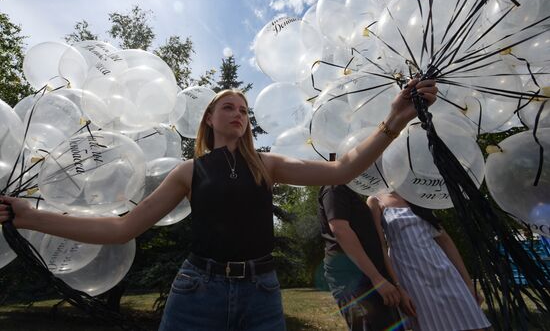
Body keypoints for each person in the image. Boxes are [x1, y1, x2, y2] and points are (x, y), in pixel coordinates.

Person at [0, 78, 437, 331]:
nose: (238, 113)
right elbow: (121, 229)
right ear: (209, 118)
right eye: (228, 107)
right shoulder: (188, 173)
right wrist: (31, 216)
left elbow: (343, 170)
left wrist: (395, 119)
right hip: (196, 293)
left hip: (262, 292)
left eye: (244, 109)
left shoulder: (268, 165)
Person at [367, 192, 491, 331]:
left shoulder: (417, 192)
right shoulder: (375, 200)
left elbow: (444, 239)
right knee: (433, 325)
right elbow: (381, 246)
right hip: (411, 274)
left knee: (472, 323)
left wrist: (468, 284)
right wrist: (399, 288)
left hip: (442, 267)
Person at [318, 183, 416, 331]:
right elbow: (340, 230)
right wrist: (377, 278)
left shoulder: (348, 190)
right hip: (354, 283)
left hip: (369, 280)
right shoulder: (334, 186)